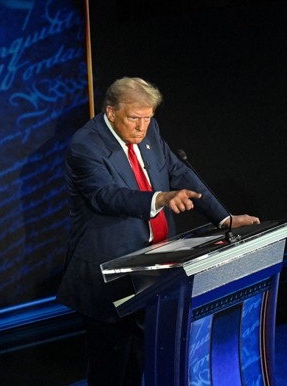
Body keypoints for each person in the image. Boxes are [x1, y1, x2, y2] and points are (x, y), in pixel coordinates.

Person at [57, 77, 259, 385]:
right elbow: (105, 195)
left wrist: (224, 219)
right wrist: (159, 198)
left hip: (156, 269)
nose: (142, 127)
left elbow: (179, 172)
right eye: (134, 118)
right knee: (111, 366)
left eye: (148, 118)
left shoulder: (150, 130)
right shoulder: (85, 145)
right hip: (109, 274)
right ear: (111, 113)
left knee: (146, 357)